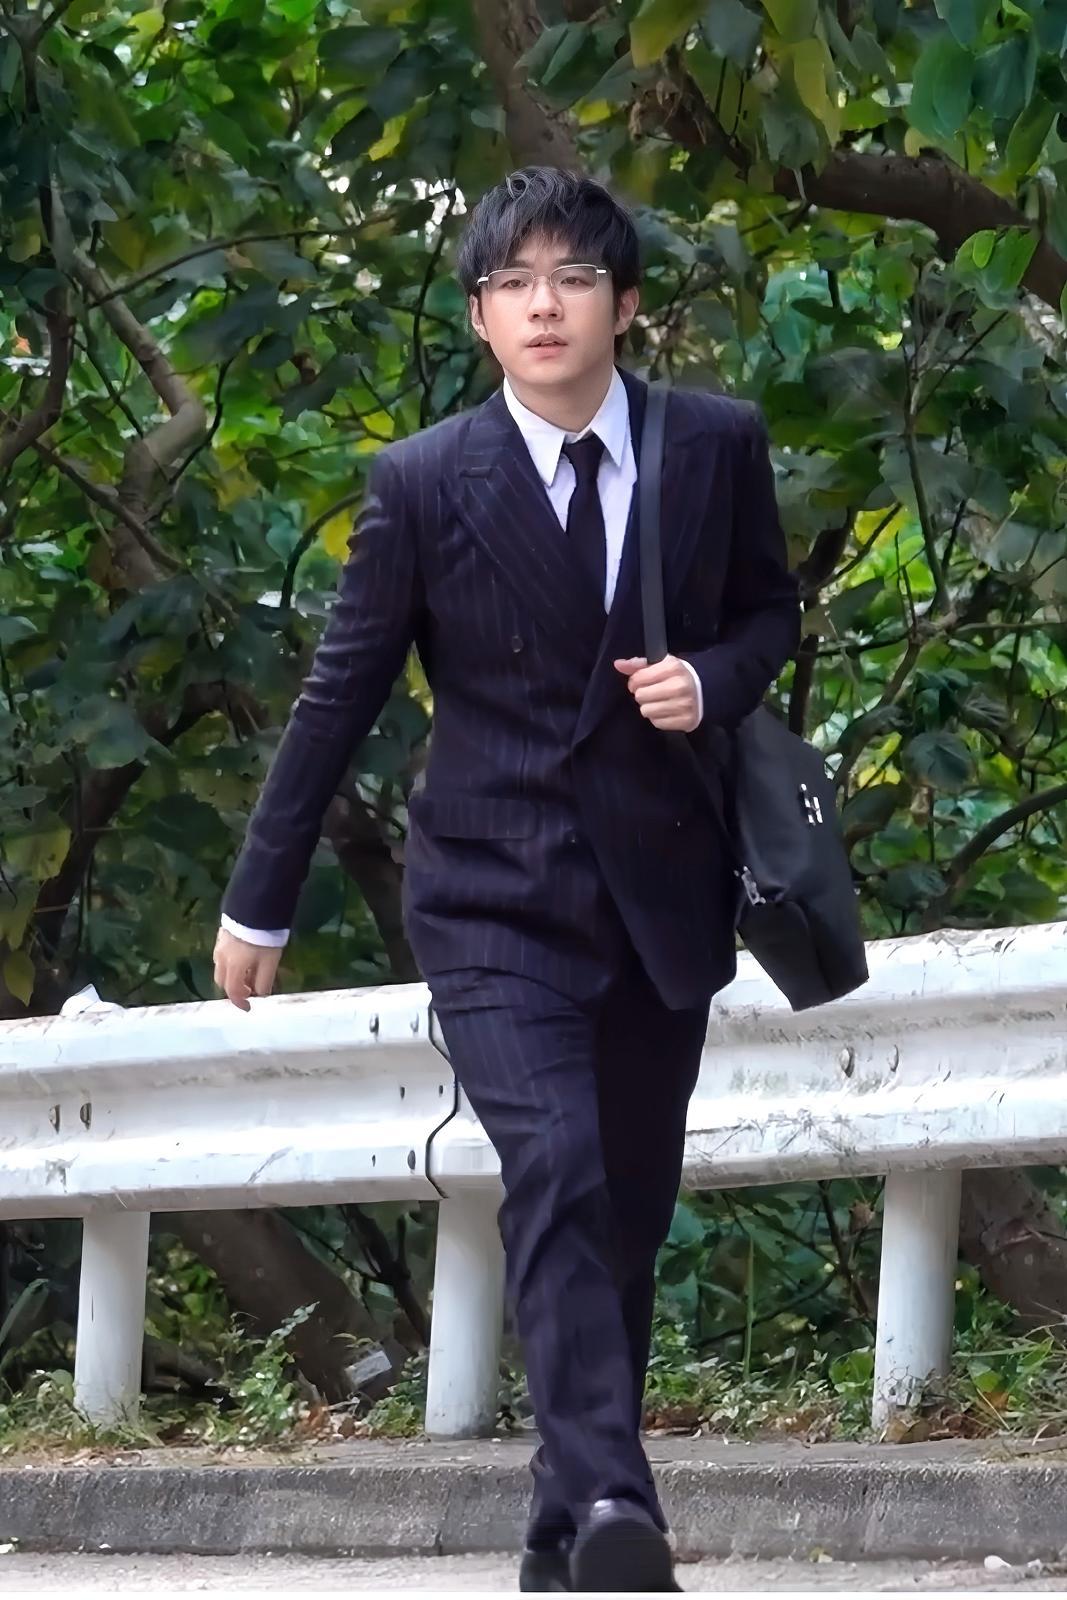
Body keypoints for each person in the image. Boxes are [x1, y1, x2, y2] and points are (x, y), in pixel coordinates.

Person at [214, 166, 800, 1592]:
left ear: (625, 304)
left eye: (574, 278)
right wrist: (260, 897)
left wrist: (709, 681)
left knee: (628, 1210)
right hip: (490, 893)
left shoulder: (711, 444)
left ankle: (561, 1525)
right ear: (480, 316)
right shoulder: (426, 481)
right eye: (514, 283)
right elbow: (341, 695)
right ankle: (611, 1499)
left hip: (660, 888)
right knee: (555, 1165)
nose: (546, 306)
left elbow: (768, 612)